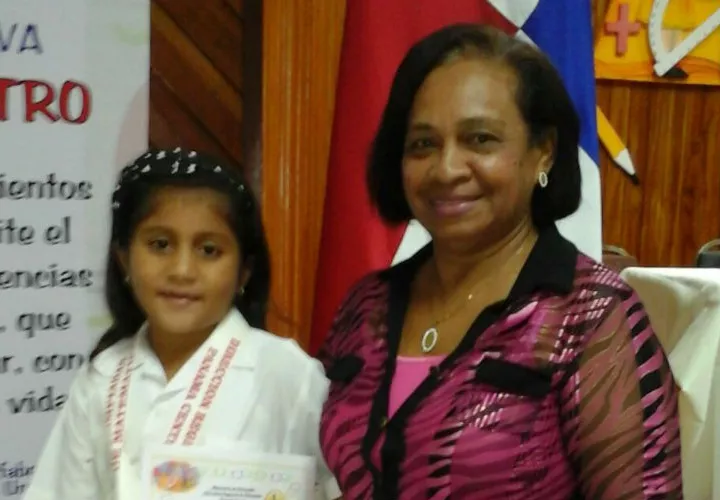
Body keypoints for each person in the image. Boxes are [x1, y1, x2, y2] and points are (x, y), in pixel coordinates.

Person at [317, 24, 683, 499]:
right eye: (423, 143)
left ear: (543, 152)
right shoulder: (365, 308)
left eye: (480, 139)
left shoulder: (594, 319)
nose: (447, 168)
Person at [25, 148, 340, 500]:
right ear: (124, 258)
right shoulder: (101, 377)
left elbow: (345, 486)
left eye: (209, 250)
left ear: (244, 271)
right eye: (160, 245)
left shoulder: (287, 374)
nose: (182, 270)